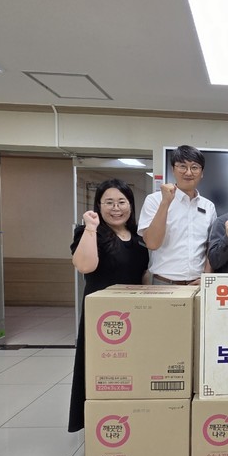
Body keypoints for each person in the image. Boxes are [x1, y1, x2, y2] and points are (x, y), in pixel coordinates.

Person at [68, 178, 149, 432]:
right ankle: (99, 422)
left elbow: (142, 276)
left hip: (133, 316)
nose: (116, 208)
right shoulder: (89, 232)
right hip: (102, 319)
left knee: (129, 371)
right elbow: (85, 266)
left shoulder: (138, 238)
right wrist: (91, 227)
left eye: (122, 202)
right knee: (99, 371)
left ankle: (130, 419)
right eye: (109, 202)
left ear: (131, 205)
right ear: (98, 205)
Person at [138, 145, 217, 284]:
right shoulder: (155, 200)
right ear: (173, 169)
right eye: (182, 166)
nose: (188, 172)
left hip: (197, 284)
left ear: (202, 173)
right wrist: (165, 202)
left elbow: (211, 246)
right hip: (164, 283)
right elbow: (151, 243)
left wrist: (206, 276)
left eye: (194, 167)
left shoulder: (208, 206)